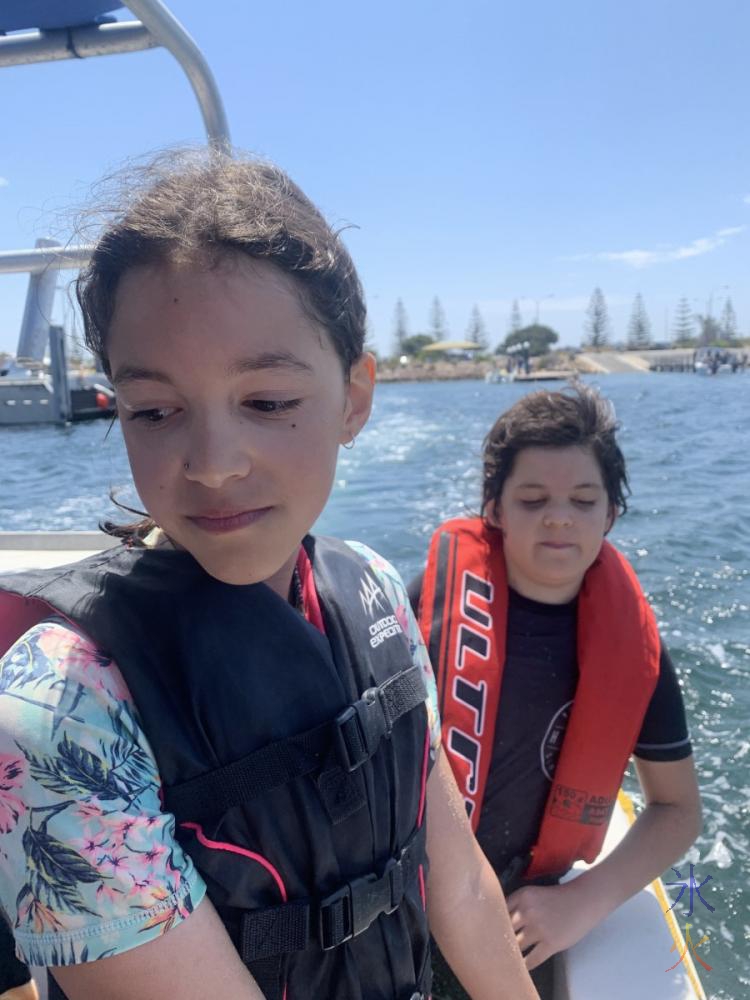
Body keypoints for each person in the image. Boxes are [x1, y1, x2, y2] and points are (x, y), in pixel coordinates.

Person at [0, 150, 538, 1000]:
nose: (211, 464)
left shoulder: (371, 589)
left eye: (268, 401)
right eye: (155, 411)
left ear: (356, 396)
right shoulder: (60, 710)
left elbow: (462, 885)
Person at [410, 384, 702, 999]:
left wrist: (579, 905)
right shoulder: (424, 606)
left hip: (520, 913)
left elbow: (678, 811)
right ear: (494, 509)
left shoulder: (636, 654)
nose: (559, 516)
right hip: (403, 896)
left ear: (611, 515)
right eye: (534, 499)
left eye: (583, 499)